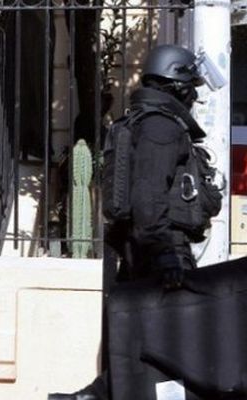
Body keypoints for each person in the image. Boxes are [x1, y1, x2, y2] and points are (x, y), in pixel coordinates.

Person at [49, 44, 225, 399]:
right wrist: (165, 253)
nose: (193, 95)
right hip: (158, 249)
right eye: (190, 85)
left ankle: (90, 397)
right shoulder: (161, 128)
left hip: (135, 246)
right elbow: (148, 197)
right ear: (176, 83)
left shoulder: (140, 123)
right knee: (179, 347)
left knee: (139, 346)